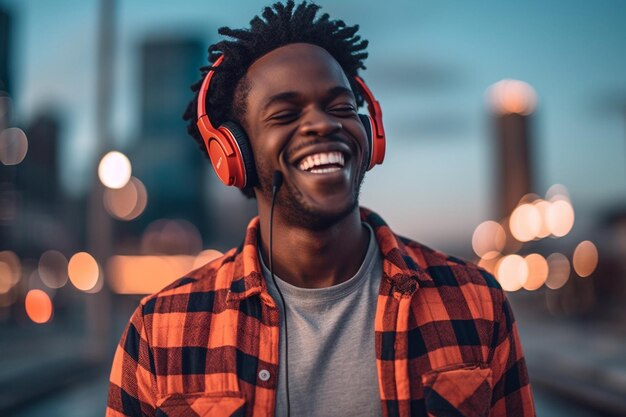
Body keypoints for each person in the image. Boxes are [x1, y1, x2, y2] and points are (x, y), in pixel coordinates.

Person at [106, 1, 536, 416]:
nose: (322, 124)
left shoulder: (476, 302)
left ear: (370, 134)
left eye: (341, 108)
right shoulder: (160, 329)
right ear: (234, 154)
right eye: (285, 114)